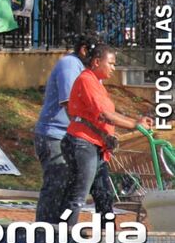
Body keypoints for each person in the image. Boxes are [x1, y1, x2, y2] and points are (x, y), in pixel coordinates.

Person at [59, 44, 152, 225]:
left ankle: (106, 235)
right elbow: (104, 114)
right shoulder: (86, 80)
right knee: (78, 195)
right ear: (96, 62)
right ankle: (63, 239)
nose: (113, 68)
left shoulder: (97, 84)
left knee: (104, 195)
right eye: (111, 63)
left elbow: (106, 115)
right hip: (82, 144)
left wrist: (135, 121)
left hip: (94, 145)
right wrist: (134, 124)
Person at [33, 35, 113, 223]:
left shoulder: (90, 72)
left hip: (82, 138)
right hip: (57, 135)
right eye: (94, 53)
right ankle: (43, 233)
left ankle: (65, 231)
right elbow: (71, 107)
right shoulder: (70, 64)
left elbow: (98, 108)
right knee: (57, 184)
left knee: (81, 189)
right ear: (84, 50)